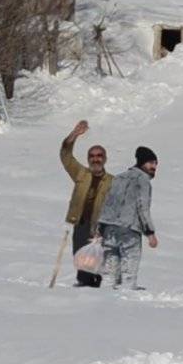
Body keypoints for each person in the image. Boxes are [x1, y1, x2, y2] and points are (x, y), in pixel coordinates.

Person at [59, 120, 114, 287]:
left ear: (104, 159)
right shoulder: (81, 174)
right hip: (81, 223)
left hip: (100, 227)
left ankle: (90, 288)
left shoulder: (112, 181)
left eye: (99, 156)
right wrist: (74, 134)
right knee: (79, 256)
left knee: (93, 261)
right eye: (92, 156)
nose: (95, 159)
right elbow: (65, 155)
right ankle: (85, 288)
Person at [97, 146, 159, 290]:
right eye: (151, 163)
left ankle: (106, 297)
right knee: (129, 266)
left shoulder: (118, 178)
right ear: (142, 162)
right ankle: (127, 294)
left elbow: (106, 202)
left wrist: (100, 227)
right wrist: (150, 233)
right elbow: (142, 207)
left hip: (109, 229)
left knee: (109, 269)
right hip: (129, 229)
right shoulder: (143, 180)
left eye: (155, 163)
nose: (154, 167)